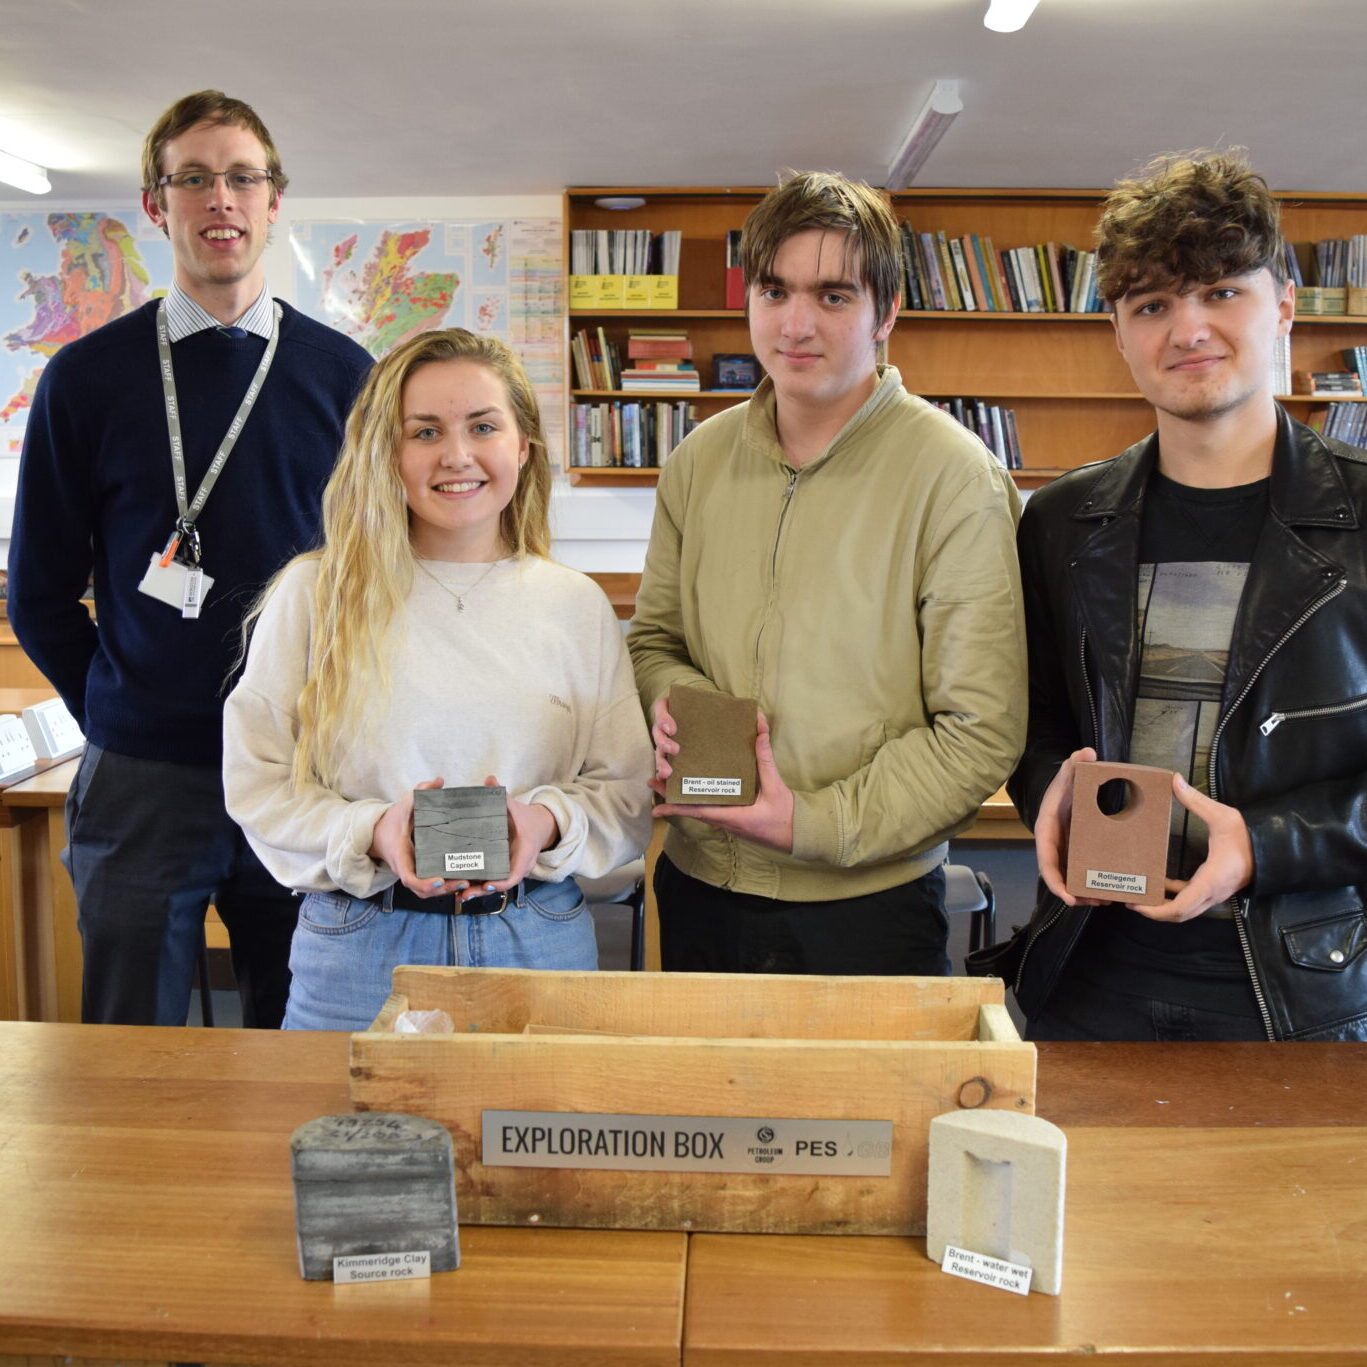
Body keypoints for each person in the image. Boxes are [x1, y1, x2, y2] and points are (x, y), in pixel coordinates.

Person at [7, 90, 372, 1028]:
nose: (222, 199)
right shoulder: (83, 380)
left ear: (274, 201)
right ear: (155, 205)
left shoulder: (344, 377)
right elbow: (40, 591)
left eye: (243, 177)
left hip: (303, 764)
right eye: (195, 178)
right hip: (144, 780)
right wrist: (120, 705)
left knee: (303, 1036)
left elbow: (377, 574)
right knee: (133, 1050)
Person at [1002, 150, 1367, 1041]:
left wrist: (1263, 842)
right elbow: (1034, 720)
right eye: (1152, 304)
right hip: (1089, 972)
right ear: (1119, 333)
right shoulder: (1058, 521)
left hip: (1305, 985)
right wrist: (1051, 788)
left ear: (1281, 303)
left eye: (1219, 291)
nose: (1187, 327)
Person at [628, 170, 1026, 976]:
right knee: (696, 1106)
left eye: (833, 296)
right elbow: (654, 639)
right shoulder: (696, 461)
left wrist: (807, 822)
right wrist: (670, 701)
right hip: (700, 885)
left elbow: (978, 731)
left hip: (865, 911)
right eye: (774, 291)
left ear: (886, 314)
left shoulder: (955, 477)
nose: (795, 323)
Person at [222, 328, 654, 1032]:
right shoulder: (314, 596)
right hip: (360, 948)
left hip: (536, 939)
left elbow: (625, 794)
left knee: (532, 1144)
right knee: (351, 1142)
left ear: (522, 445)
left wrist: (544, 822)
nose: (456, 455)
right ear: (385, 453)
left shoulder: (573, 604)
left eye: (483, 426)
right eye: (424, 432)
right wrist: (370, 829)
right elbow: (258, 784)